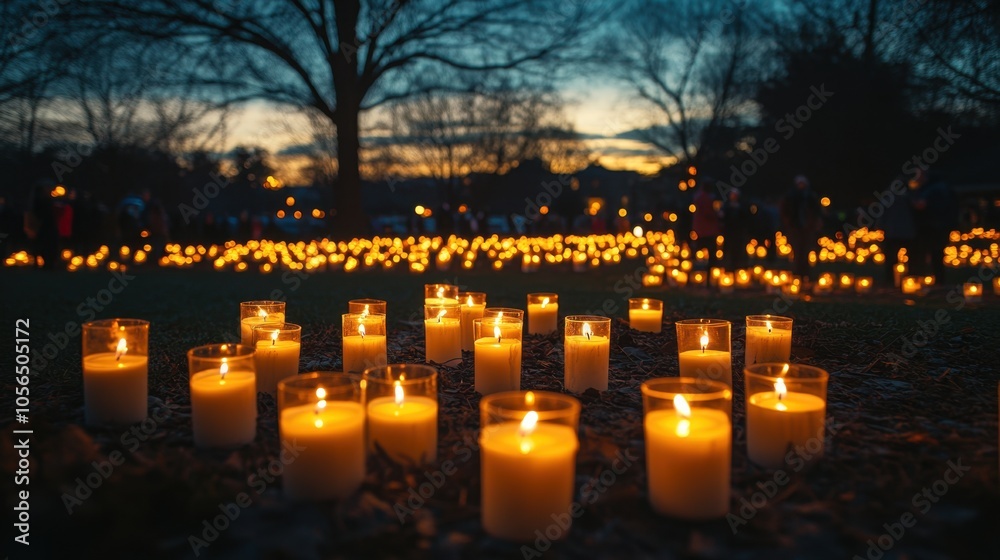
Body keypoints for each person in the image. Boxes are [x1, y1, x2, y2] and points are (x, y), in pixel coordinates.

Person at [912, 168, 957, 281]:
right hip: (938, 226)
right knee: (935, 254)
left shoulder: (933, 190)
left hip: (934, 227)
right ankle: (935, 279)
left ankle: (932, 280)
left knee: (933, 254)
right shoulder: (940, 187)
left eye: (919, 175)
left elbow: (926, 206)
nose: (916, 178)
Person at [877, 174, 918, 283]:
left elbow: (882, 214)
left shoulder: (888, 197)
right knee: (911, 259)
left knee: (891, 260)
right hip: (907, 232)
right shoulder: (910, 197)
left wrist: (881, 226)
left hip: (893, 232)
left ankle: (891, 281)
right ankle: (910, 281)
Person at [779, 175, 823, 280]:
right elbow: (784, 211)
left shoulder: (810, 197)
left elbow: (817, 212)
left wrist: (814, 224)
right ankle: (797, 272)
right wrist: (788, 223)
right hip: (795, 227)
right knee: (797, 251)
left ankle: (805, 272)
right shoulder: (790, 197)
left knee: (806, 250)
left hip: (808, 228)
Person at [721, 187, 753, 270]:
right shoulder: (726, 206)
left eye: (735, 195)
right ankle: (729, 266)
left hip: (740, 231)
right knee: (729, 248)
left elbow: (747, 217)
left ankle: (740, 265)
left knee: (739, 248)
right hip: (729, 231)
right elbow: (722, 217)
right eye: (732, 195)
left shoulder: (742, 206)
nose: (733, 196)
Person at [692, 180, 721, 270]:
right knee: (711, 255)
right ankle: (707, 275)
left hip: (699, 230)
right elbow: (708, 214)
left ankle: (697, 273)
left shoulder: (698, 197)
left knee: (697, 252)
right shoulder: (708, 199)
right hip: (708, 231)